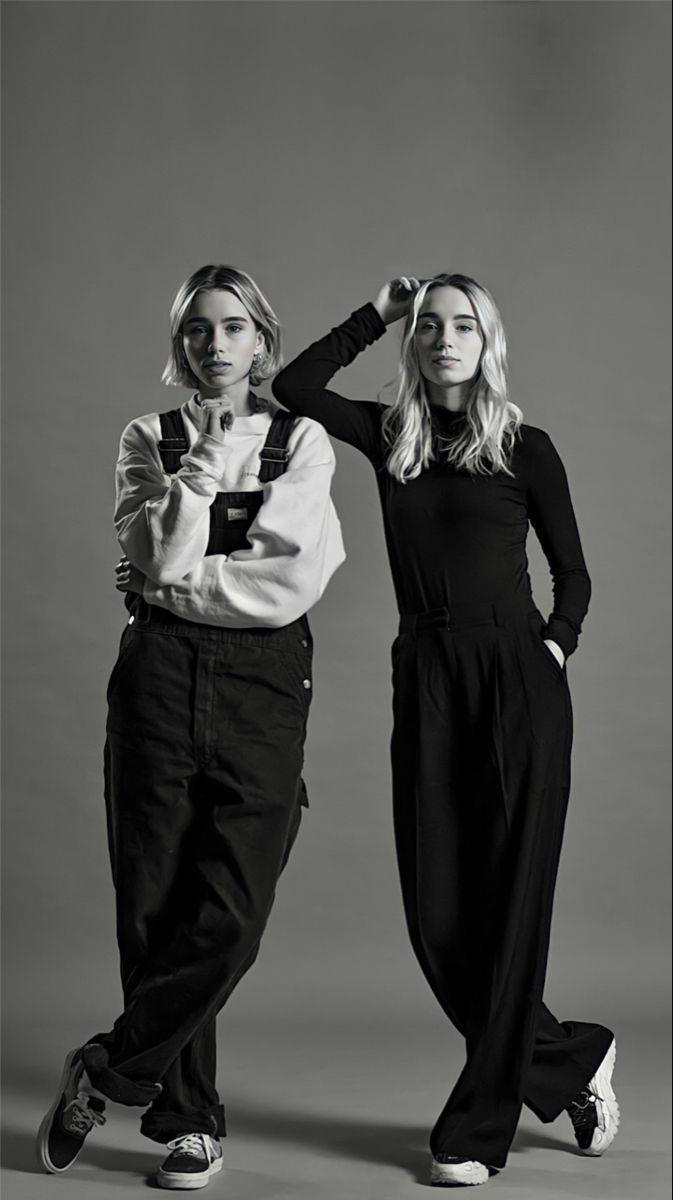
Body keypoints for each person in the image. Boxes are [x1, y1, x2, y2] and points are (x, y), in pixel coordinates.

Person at [272, 274, 619, 1187]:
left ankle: (474, 1130)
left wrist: (553, 646)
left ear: (486, 342)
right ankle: (568, 1059)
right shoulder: (393, 436)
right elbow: (295, 388)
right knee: (438, 913)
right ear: (413, 341)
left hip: (515, 680)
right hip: (426, 674)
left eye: (462, 325)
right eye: (428, 325)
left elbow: (573, 574)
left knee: (508, 907)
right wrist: (376, 312)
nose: (443, 337)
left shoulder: (524, 447)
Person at [37, 264, 345, 1190]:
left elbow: (286, 585)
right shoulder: (149, 437)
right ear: (181, 343)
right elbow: (159, 553)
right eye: (199, 329)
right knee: (154, 907)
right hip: (159, 678)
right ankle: (188, 1121)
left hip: (264, 681)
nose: (216, 345)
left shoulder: (301, 440)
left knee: (232, 912)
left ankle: (105, 1070)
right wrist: (206, 468)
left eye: (234, 327)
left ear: (262, 340)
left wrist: (176, 573)